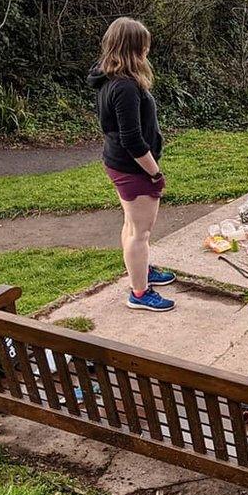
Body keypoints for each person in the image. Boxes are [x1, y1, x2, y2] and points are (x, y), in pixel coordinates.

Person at [88, 17, 176, 312]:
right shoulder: (124, 86)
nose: (147, 52)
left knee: (131, 224)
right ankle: (139, 293)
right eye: (144, 47)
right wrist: (155, 174)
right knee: (142, 232)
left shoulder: (108, 78)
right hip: (133, 167)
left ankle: (142, 269)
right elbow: (133, 140)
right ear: (134, 49)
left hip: (119, 163)